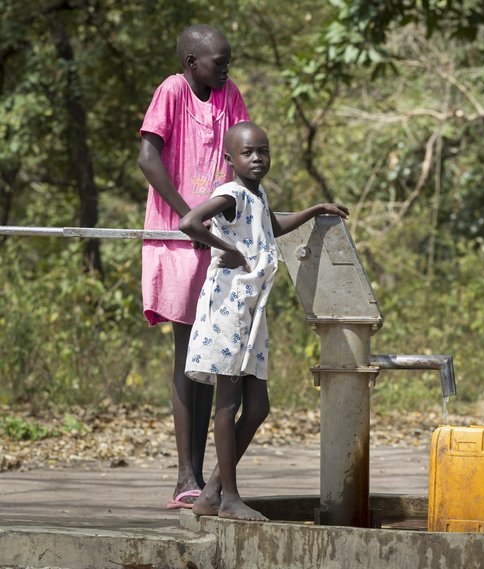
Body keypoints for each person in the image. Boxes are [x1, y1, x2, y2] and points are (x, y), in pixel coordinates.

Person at [180, 121, 349, 520]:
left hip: (251, 312)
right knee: (229, 404)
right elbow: (189, 222)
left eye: (263, 151)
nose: (257, 159)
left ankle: (211, 493)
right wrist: (228, 250)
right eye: (247, 153)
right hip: (228, 309)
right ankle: (229, 499)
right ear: (229, 159)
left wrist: (315, 209)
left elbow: (270, 228)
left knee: (258, 406)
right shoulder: (231, 194)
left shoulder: (256, 195)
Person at [138, 24, 251, 509]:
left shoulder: (230, 95)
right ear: (191, 63)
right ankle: (186, 474)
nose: (225, 69)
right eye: (217, 62)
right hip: (178, 239)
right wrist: (189, 212)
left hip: (218, 240)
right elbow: (148, 156)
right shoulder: (172, 90)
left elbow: (241, 155)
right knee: (188, 353)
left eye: (228, 61)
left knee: (212, 357)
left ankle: (202, 476)